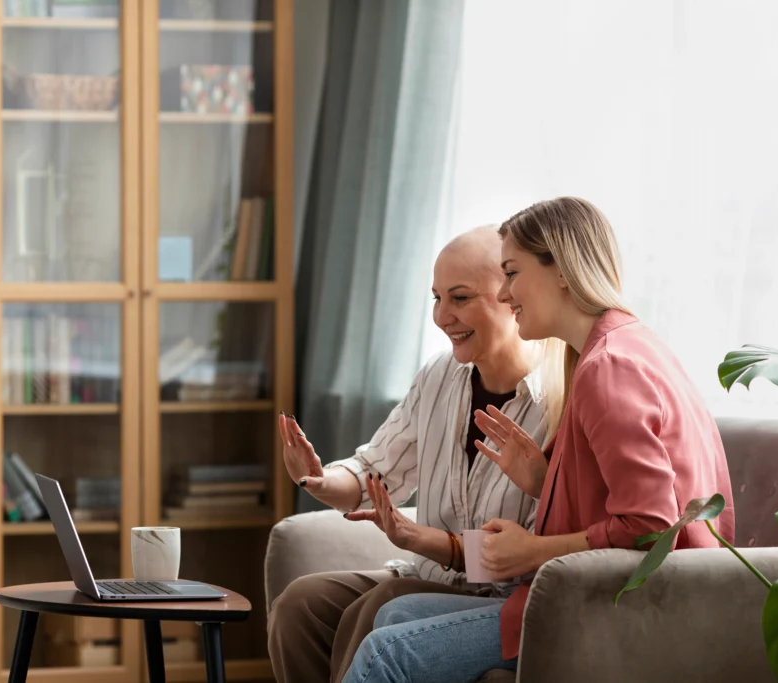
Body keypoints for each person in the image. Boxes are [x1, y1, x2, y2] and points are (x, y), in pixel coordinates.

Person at [341, 197, 736, 683]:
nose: (505, 294)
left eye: (511, 273)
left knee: (388, 651)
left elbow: (651, 523)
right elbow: (631, 503)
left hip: (624, 606)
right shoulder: (616, 346)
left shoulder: (608, 366)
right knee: (395, 615)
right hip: (601, 591)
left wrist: (531, 551)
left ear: (563, 272)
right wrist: (545, 479)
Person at [267, 225, 553, 683]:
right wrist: (320, 481)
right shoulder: (440, 375)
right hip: (431, 577)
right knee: (299, 604)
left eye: (459, 298)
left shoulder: (558, 399)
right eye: (436, 299)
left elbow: (537, 552)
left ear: (511, 296)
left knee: (386, 604)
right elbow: (375, 471)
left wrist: (422, 539)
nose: (442, 317)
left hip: (502, 596)